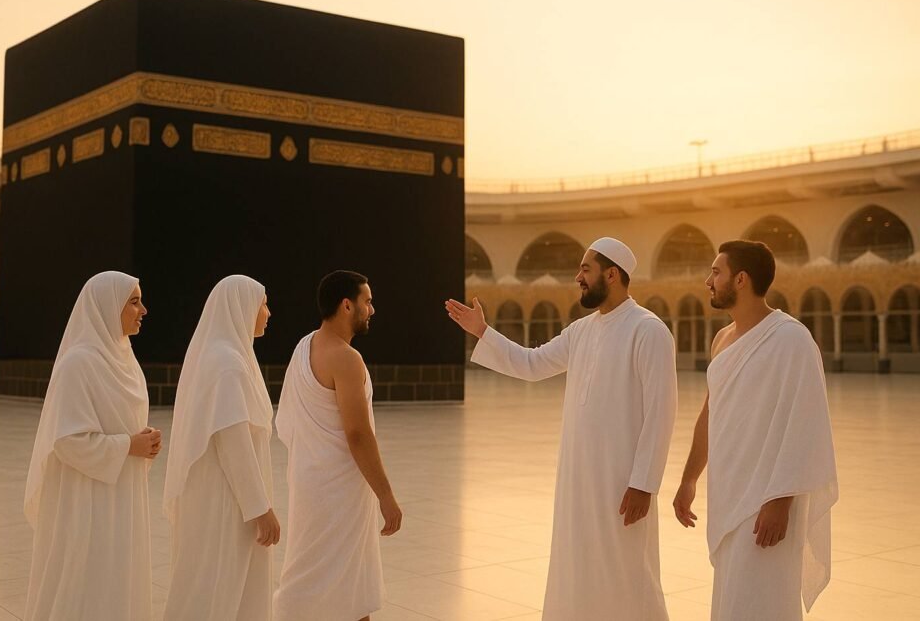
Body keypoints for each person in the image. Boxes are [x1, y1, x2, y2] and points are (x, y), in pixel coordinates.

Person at [446, 237, 677, 620]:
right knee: (578, 568)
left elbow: (661, 412)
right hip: (578, 482)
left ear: (613, 274)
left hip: (622, 484)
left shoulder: (648, 331)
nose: (578, 277)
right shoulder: (581, 331)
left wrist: (644, 482)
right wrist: (484, 333)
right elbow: (532, 364)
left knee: (628, 571)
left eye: (586, 269)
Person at [673, 240, 837, 621]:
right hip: (728, 494)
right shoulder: (722, 339)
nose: (707, 281)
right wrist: (689, 479)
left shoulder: (791, 339)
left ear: (741, 279)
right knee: (733, 602)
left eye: (716, 272)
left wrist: (780, 501)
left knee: (763, 602)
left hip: (768, 499)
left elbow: (806, 423)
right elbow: (711, 412)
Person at [24, 271, 159, 620]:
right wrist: (129, 445)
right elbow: (67, 440)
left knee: (118, 579)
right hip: (88, 500)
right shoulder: (79, 363)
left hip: (123, 494)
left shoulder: (126, 360)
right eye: (133, 301)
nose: (143, 310)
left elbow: (120, 422)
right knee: (88, 579)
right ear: (106, 306)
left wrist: (143, 439)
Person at [273, 270, 402, 621]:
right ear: (347, 305)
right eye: (368, 302)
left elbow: (286, 422)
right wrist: (386, 496)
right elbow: (358, 434)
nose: (372, 310)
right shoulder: (346, 358)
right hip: (340, 491)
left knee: (323, 575)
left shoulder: (305, 345)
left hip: (309, 481)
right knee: (344, 584)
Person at [163, 275, 280, 620]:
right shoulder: (227, 363)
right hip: (226, 503)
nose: (268, 313)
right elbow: (234, 444)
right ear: (241, 307)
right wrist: (261, 509)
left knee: (228, 589)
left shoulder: (229, 356)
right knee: (215, 590)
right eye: (263, 304)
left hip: (229, 499)